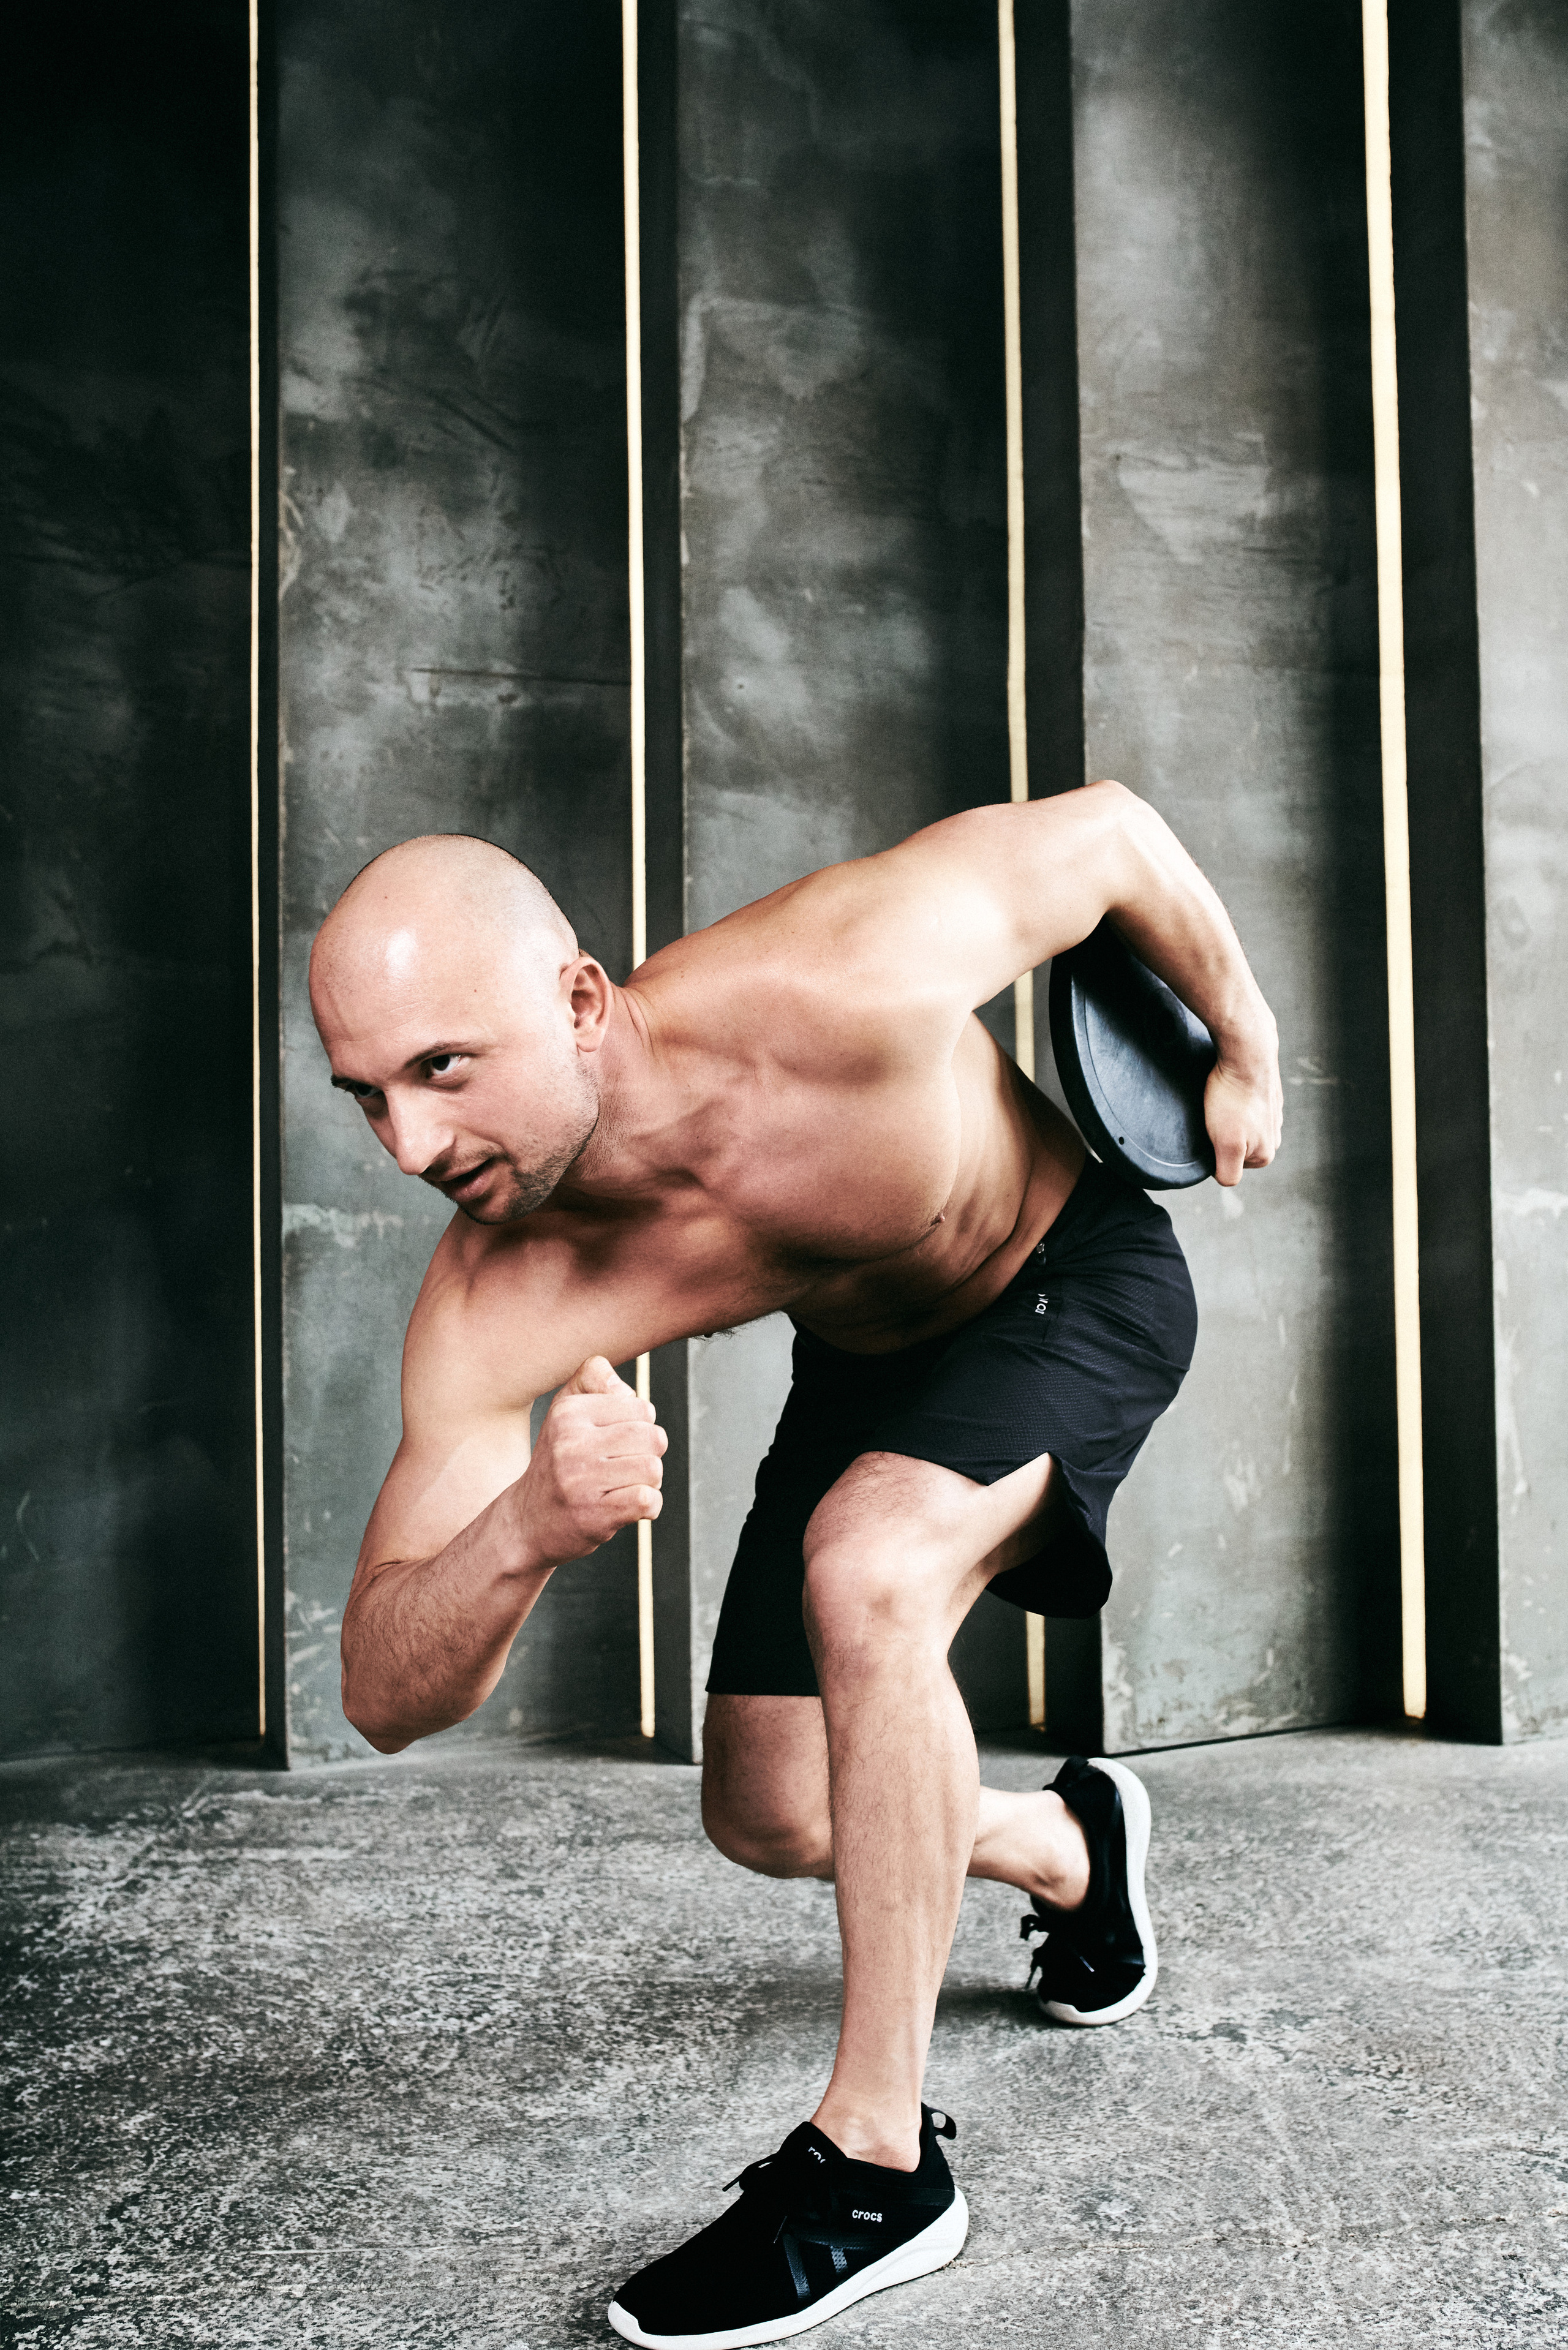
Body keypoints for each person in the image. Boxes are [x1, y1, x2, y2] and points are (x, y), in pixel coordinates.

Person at [313, 785, 1282, 2349]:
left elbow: (1108, 839)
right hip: (866, 1371)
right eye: (367, 1095)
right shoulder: (504, 1292)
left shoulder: (835, 976)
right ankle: (1069, 1849)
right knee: (768, 1806)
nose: (412, 1143)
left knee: (869, 1569)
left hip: (1065, 1276)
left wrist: (1243, 1044)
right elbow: (377, 1689)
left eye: (441, 1069)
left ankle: (876, 2165)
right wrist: (523, 1528)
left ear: (575, 1001)